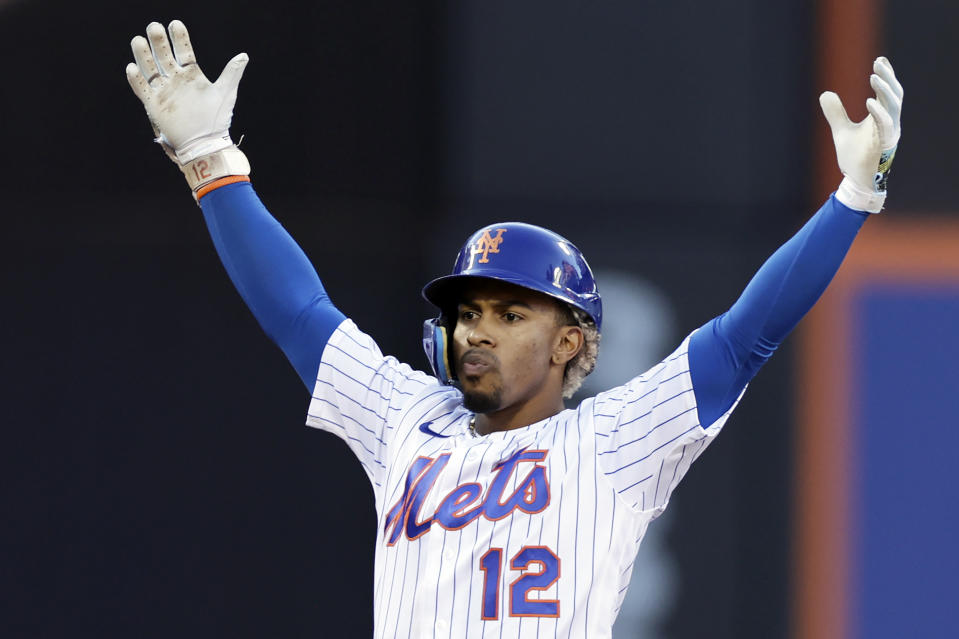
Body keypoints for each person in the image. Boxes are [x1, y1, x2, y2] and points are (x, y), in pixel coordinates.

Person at [126, 20, 903, 638]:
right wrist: (209, 160)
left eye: (508, 312)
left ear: (571, 340)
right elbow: (299, 312)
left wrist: (851, 200)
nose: (475, 330)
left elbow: (743, 338)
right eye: (465, 312)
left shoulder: (613, 441)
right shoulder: (407, 418)